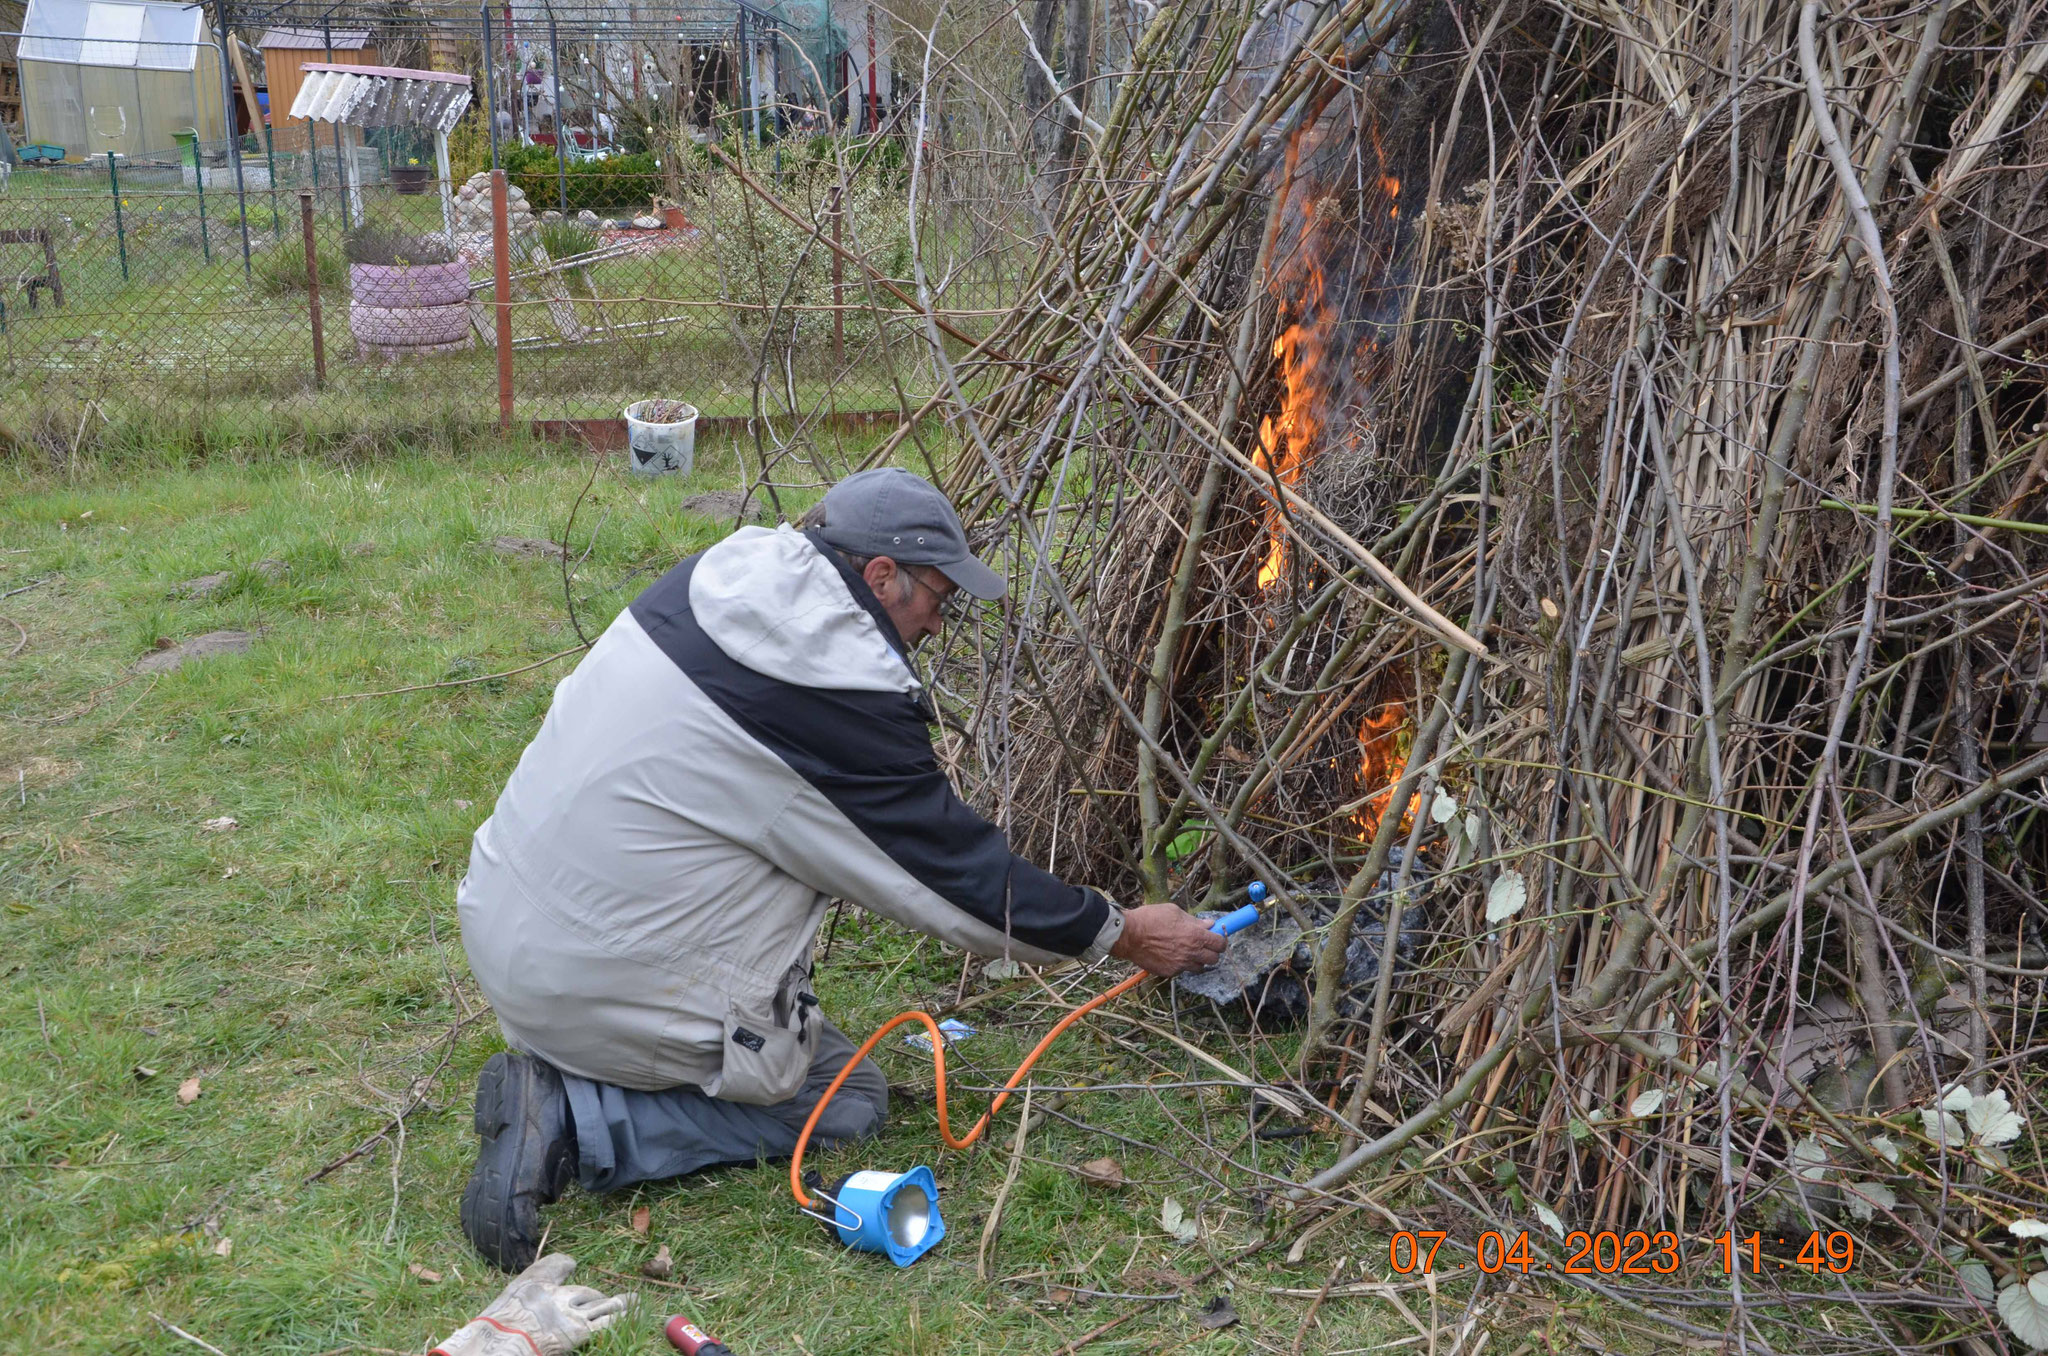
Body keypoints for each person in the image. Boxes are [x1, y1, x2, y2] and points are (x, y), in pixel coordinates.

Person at [454, 468, 1227, 1271]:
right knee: (848, 1099)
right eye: (937, 594)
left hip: (509, 917)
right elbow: (958, 884)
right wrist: (1126, 931)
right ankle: (577, 1119)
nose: (939, 619)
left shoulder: (717, 584)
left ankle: (581, 1062)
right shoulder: (832, 698)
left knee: (810, 1043)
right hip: (585, 977)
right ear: (880, 576)